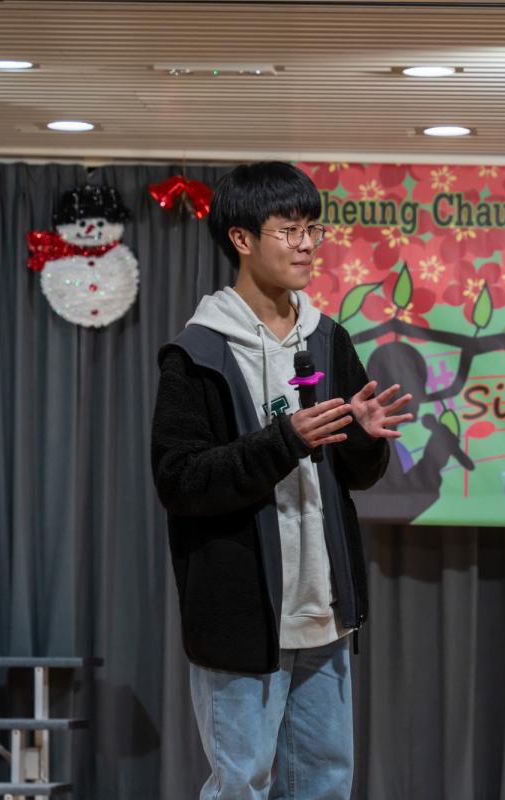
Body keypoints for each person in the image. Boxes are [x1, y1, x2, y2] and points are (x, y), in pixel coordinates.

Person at [150, 161, 411, 798]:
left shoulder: (328, 339)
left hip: (324, 610)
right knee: (241, 784)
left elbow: (353, 475)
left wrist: (363, 439)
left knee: (326, 784)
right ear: (242, 239)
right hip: (243, 616)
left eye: (313, 229)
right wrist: (283, 440)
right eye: (289, 231)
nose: (306, 245)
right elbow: (180, 481)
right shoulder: (198, 353)